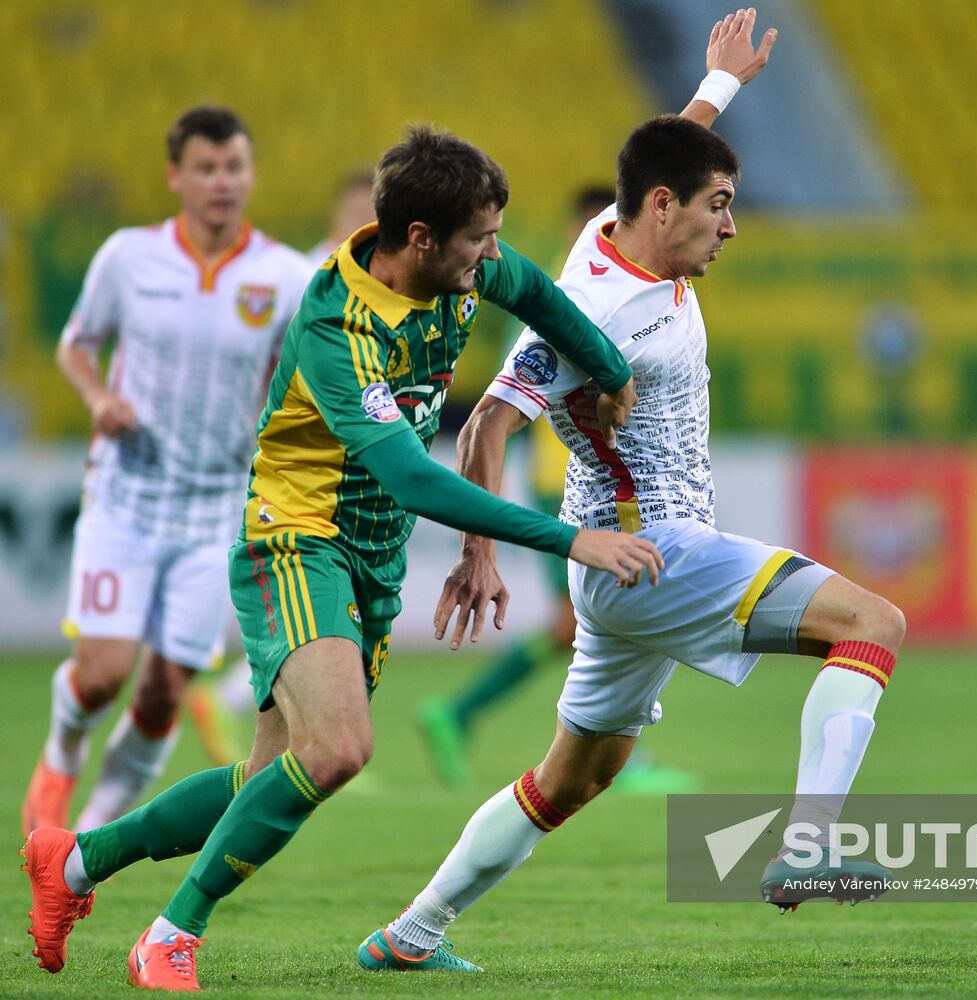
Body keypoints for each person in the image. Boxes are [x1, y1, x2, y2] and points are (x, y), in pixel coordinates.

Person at [22, 124, 663, 990]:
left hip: (371, 560)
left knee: (267, 774)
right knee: (336, 751)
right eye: (479, 240)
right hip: (294, 537)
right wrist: (566, 538)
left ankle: (71, 863)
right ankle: (170, 936)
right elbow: (407, 475)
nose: (493, 256)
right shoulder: (339, 323)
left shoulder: (467, 267)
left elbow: (543, 297)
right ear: (422, 240)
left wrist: (610, 367)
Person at [356, 8, 904, 975]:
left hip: (622, 570)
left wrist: (720, 84)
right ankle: (811, 842)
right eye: (719, 206)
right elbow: (486, 423)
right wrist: (482, 553)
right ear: (663, 208)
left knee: (570, 779)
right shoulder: (596, 312)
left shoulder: (611, 232)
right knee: (873, 624)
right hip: (649, 549)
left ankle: (410, 934)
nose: (730, 226)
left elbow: (667, 150)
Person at [21, 106, 313, 840]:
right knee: (102, 676)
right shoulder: (128, 257)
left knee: (162, 693)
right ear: (175, 177)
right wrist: (98, 398)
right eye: (207, 169)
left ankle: (84, 837)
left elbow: (295, 382)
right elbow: (76, 345)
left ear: (249, 173)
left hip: (218, 507)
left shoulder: (281, 276)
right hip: (126, 494)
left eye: (234, 167)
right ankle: (62, 754)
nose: (222, 182)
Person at [417, 185, 699, 795]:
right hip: (565, 481)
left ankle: (585, 743)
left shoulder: (597, 289)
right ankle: (485, 720)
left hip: (572, 476)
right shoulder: (572, 301)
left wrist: (723, 86)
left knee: (588, 617)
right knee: (588, 616)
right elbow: (499, 411)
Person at [188, 168, 381, 766]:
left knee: (314, 614)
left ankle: (287, 734)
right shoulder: (313, 278)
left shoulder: (372, 278)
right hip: (296, 468)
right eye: (355, 207)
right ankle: (229, 697)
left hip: (336, 472)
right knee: (292, 600)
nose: (362, 219)